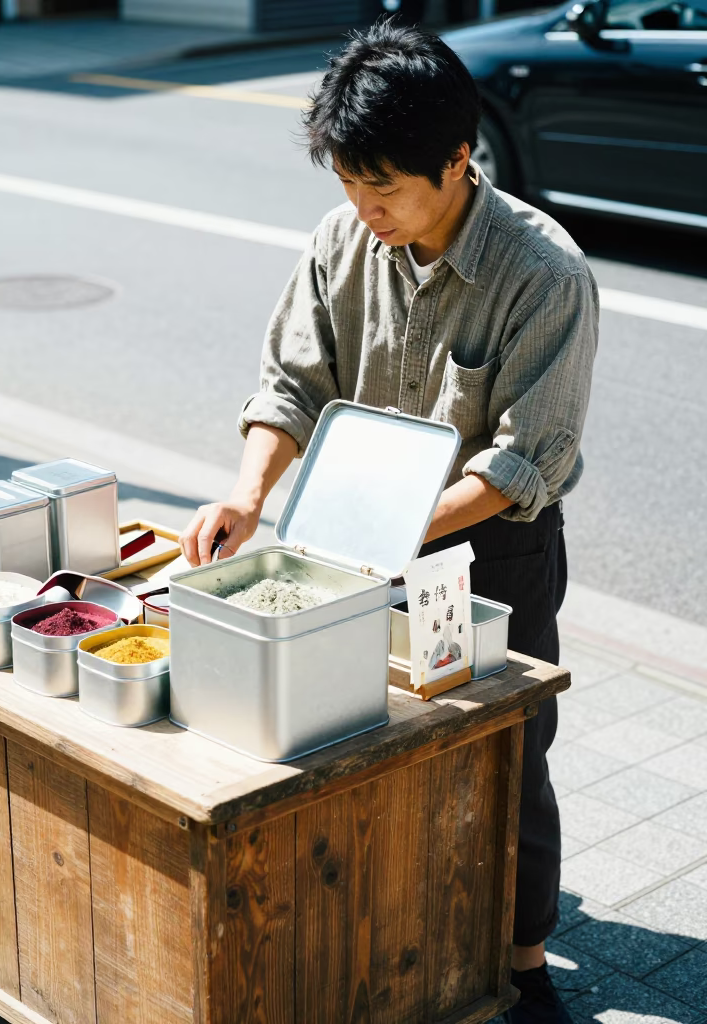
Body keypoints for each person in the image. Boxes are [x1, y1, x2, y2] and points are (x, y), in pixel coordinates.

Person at [179, 22, 597, 1024]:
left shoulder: (544, 273)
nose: (366, 217)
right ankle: (392, 929)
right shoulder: (343, 239)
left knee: (505, 751)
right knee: (357, 739)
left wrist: (394, 536)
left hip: (487, 552)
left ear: (458, 158)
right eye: (350, 193)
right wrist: (246, 493)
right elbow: (290, 380)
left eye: (386, 195)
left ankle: (525, 956)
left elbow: (518, 462)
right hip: (353, 542)